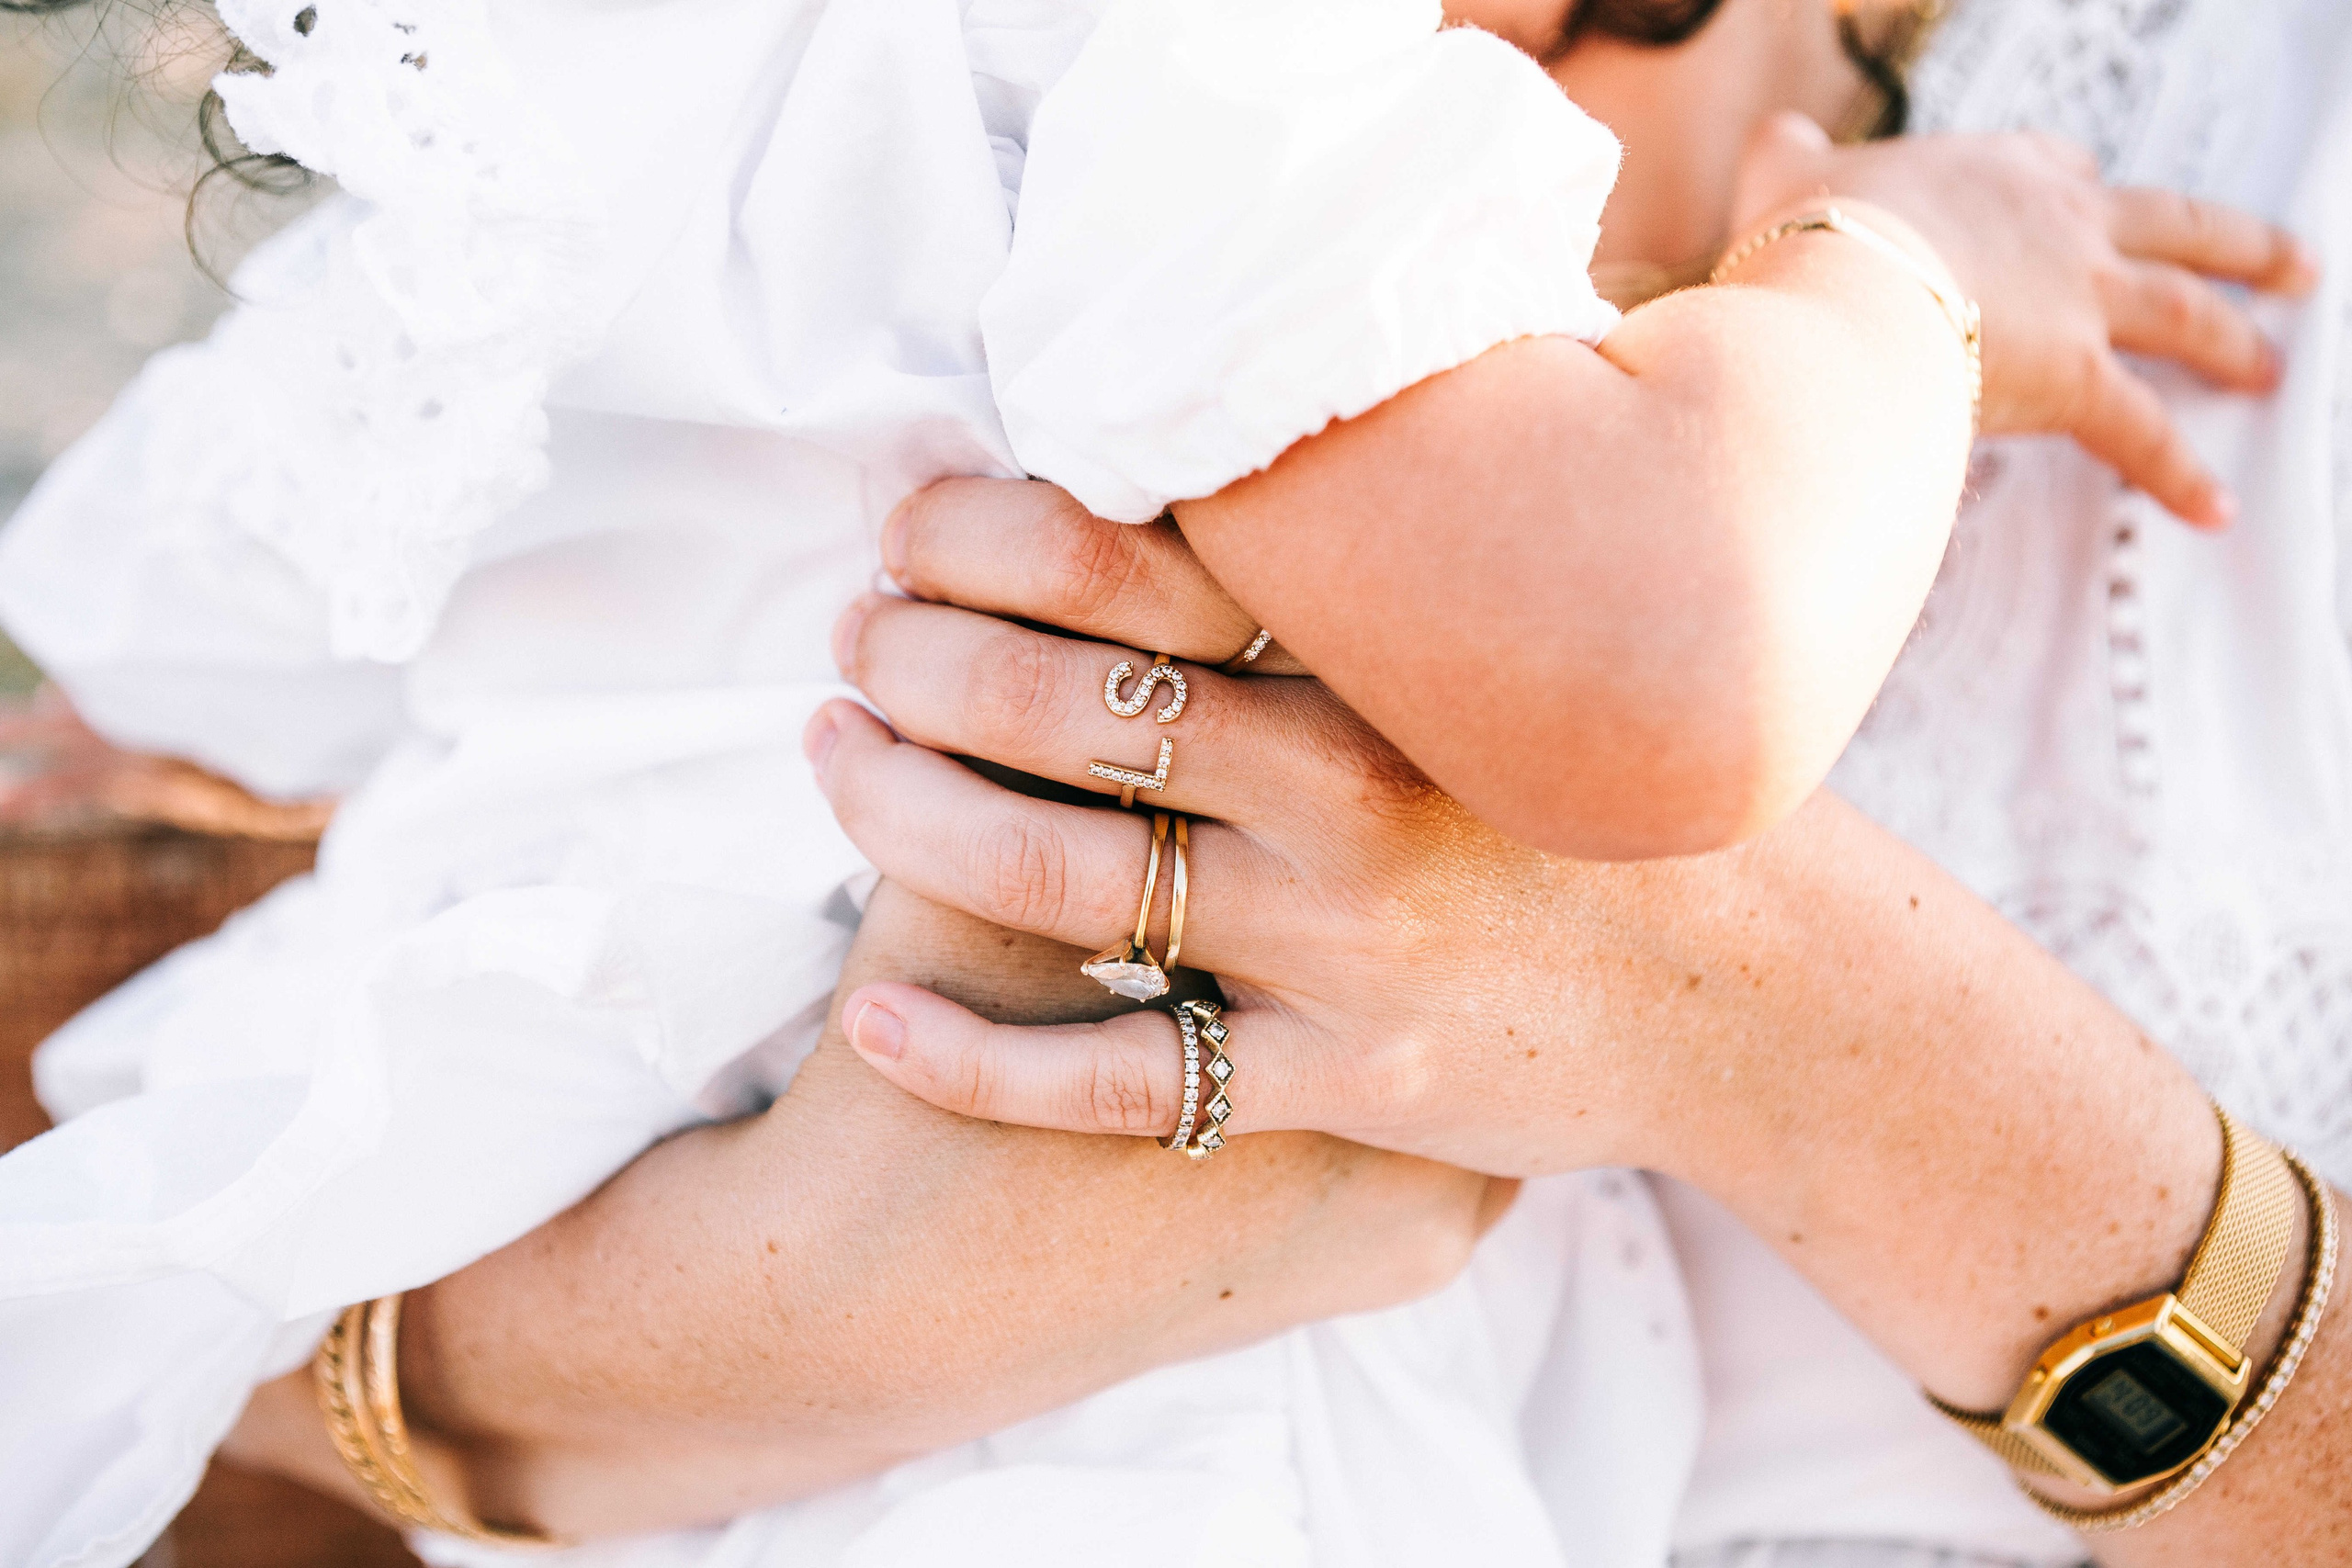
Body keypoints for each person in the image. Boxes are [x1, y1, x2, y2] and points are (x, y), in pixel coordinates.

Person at [0, 4, 2319, 1568]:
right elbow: (1660, 655)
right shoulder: (1233, 87)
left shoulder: (737, 92)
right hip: (1148, 1409)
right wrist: (1890, 271)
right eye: (1835, 62)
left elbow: (203, 620)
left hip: (723, 1264)